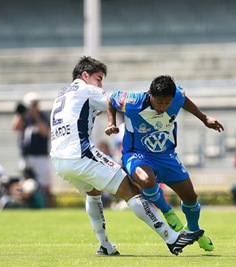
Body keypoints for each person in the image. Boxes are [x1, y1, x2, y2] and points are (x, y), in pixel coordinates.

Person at [49, 56, 203, 256]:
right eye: (98, 78)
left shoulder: (62, 94)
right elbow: (113, 99)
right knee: (130, 189)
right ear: (85, 75)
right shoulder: (88, 90)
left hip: (59, 158)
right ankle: (171, 238)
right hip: (80, 152)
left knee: (93, 192)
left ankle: (104, 245)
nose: (100, 84)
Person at [105, 75, 224, 252]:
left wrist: (204, 118)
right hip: (137, 154)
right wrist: (111, 122)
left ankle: (193, 230)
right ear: (150, 94)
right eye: (159, 102)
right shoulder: (132, 102)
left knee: (191, 197)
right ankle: (167, 212)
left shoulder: (176, 96)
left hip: (166, 155)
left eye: (167, 103)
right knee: (146, 180)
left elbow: (183, 100)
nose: (163, 107)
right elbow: (110, 99)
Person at [12, 91, 53, 207]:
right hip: (26, 156)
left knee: (45, 185)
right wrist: (20, 114)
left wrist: (36, 117)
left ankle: (48, 206)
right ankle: (27, 206)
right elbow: (15, 127)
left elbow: (45, 132)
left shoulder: (43, 116)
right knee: (25, 184)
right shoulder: (24, 117)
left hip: (40, 156)